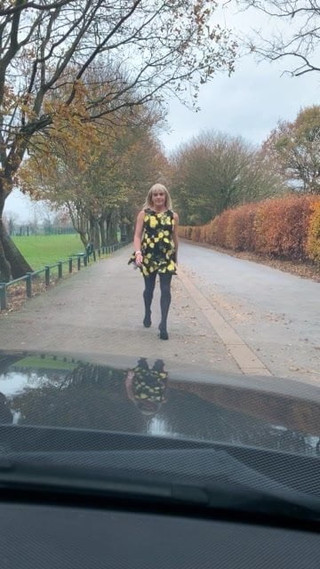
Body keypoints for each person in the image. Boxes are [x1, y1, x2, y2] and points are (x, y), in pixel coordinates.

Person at [128, 183, 179, 340]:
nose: (158, 197)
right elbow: (137, 235)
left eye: (161, 194)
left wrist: (175, 257)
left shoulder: (173, 216)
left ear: (165, 197)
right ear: (151, 197)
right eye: (155, 194)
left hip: (165, 257)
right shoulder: (144, 214)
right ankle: (147, 312)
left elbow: (174, 238)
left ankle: (163, 324)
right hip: (148, 256)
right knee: (149, 289)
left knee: (165, 290)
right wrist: (138, 253)